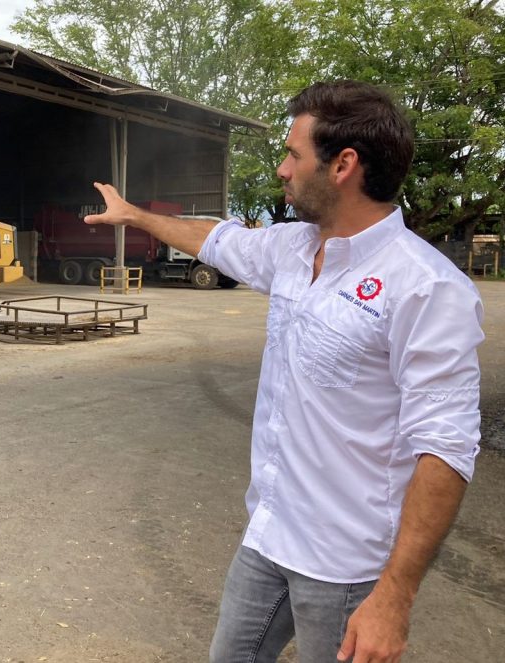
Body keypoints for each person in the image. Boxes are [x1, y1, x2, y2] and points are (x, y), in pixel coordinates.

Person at [85, 80, 483, 663]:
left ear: (343, 165)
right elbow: (215, 239)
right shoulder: (292, 249)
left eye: (294, 154)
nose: (282, 169)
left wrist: (395, 596)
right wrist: (135, 217)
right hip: (269, 535)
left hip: (346, 565)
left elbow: (445, 449)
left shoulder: (426, 288)